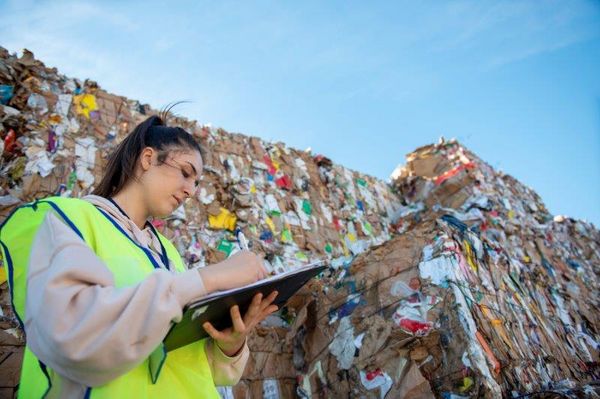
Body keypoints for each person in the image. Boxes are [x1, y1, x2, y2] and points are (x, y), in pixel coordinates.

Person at [0, 115, 278, 398]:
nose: (191, 191)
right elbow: (70, 335)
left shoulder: (169, 254)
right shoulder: (63, 218)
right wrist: (211, 277)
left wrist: (229, 345)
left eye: (196, 182)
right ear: (148, 158)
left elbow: (184, 360)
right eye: (185, 172)